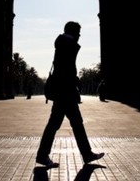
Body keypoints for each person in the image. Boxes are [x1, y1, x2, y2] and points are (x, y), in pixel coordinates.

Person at [35, 21, 105, 168]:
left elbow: (64, 67)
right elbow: (66, 68)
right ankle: (85, 154)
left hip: (64, 91)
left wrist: (75, 80)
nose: (80, 35)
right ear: (73, 32)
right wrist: (74, 81)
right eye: (78, 32)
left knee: (63, 124)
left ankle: (85, 154)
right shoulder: (67, 45)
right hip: (65, 92)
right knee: (67, 124)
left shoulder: (63, 44)